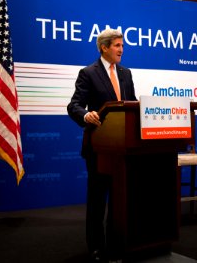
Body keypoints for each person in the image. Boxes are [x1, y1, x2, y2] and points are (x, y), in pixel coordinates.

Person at [67, 28, 137, 262]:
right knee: (98, 199)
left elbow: (131, 106)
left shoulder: (126, 74)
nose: (121, 50)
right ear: (104, 47)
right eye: (117, 45)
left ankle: (117, 242)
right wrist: (86, 115)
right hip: (99, 146)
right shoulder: (88, 73)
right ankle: (96, 247)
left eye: (122, 46)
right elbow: (74, 105)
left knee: (120, 200)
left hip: (123, 148)